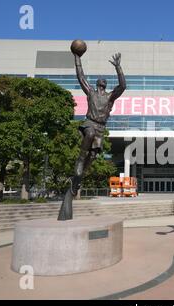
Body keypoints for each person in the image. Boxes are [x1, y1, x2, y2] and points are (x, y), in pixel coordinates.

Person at [58, 51, 126, 220]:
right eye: (100, 80)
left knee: (94, 155)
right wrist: (77, 58)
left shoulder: (110, 97)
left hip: (101, 128)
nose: (102, 80)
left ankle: (78, 179)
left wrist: (118, 67)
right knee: (88, 134)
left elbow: (123, 86)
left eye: (104, 80)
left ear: (105, 84)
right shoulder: (91, 93)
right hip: (90, 123)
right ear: (97, 84)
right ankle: (80, 159)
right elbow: (81, 77)